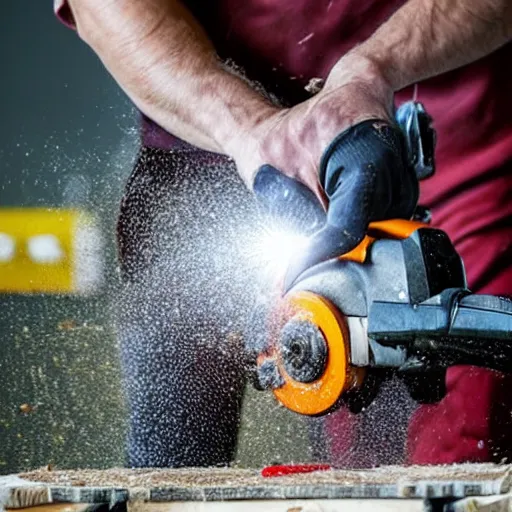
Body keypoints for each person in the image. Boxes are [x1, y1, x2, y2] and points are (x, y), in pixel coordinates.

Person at [54, 0, 512, 467]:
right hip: (201, 122)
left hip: (439, 124)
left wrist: (367, 72)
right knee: (168, 460)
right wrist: (248, 128)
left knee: (457, 451)